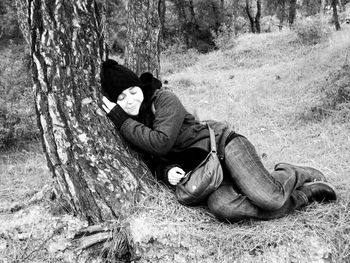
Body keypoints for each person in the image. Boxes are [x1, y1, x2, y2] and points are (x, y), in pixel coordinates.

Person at [100, 59, 337, 222]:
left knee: (270, 198)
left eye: (132, 91)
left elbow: (161, 142)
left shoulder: (163, 100)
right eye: (120, 98)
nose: (129, 100)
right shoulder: (134, 128)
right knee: (224, 208)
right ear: (114, 101)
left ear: (140, 87)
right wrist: (167, 171)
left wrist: (121, 120)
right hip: (210, 173)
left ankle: (293, 172)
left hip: (225, 147)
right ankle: (306, 195)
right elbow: (154, 160)